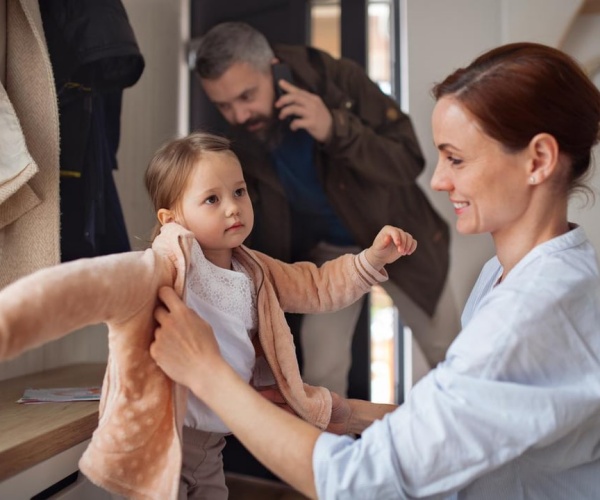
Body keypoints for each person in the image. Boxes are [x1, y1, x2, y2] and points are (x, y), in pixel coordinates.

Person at [149, 42, 600, 498]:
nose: (440, 181)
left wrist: (209, 375)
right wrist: (343, 413)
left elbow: (358, 481)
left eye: (456, 159)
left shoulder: (529, 315)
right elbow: (458, 421)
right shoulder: (512, 276)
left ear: (538, 160)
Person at [144, 131, 417, 498]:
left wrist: (371, 260)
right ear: (172, 218)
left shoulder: (254, 269)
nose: (232, 207)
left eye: (239, 192)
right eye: (212, 199)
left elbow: (318, 286)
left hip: (213, 438)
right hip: (166, 432)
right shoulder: (168, 267)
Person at [192, 21, 460, 396]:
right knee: (320, 374)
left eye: (247, 96)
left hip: (401, 238)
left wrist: (336, 128)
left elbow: (407, 159)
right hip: (327, 256)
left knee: (449, 356)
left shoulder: (337, 79)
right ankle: (331, 456)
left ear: (274, 66)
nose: (238, 114)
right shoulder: (234, 134)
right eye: (224, 105)